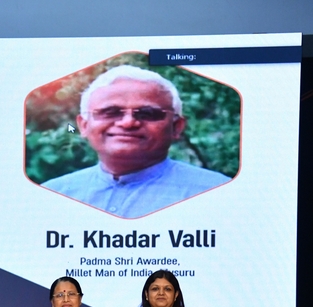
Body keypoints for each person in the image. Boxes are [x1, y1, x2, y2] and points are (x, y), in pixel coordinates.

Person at [42, 65, 231, 219]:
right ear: (84, 126)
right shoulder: (52, 195)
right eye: (110, 112)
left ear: (176, 127)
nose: (128, 122)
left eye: (147, 113)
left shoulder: (219, 194)